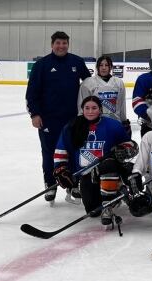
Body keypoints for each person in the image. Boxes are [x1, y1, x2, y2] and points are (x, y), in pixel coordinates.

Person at [52, 96, 136, 229]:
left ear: (100, 110)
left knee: (108, 165)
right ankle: (117, 193)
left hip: (108, 170)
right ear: (82, 110)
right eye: (87, 108)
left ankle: (111, 199)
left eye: (94, 108)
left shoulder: (112, 125)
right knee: (93, 210)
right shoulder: (71, 126)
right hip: (86, 173)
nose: (90, 111)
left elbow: (129, 144)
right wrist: (61, 168)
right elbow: (61, 150)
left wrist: (124, 149)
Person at [26, 31, 91, 202]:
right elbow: (31, 93)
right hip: (49, 120)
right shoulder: (42, 65)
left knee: (74, 152)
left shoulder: (76, 61)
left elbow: (90, 85)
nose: (61, 46)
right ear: (52, 44)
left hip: (73, 119)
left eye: (64, 43)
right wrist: (35, 114)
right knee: (49, 154)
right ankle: (51, 185)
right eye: (58, 43)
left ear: (68, 44)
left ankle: (73, 184)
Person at [78, 55, 131, 137]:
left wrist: (123, 121)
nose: (103, 68)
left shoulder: (118, 83)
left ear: (110, 67)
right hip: (95, 124)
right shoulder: (88, 83)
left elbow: (121, 105)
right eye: (101, 65)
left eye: (106, 65)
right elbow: (82, 105)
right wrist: (82, 123)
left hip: (114, 123)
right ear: (97, 67)